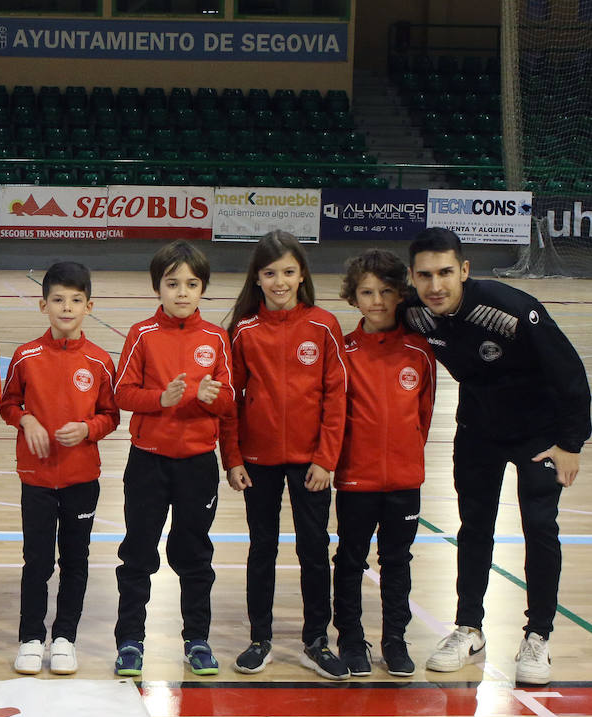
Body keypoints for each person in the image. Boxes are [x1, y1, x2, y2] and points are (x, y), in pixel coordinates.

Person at [403, 227, 590, 685]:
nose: (436, 286)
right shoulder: (414, 313)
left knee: (540, 528)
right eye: (424, 275)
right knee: (474, 526)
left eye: (446, 272)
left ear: (464, 271)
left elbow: (570, 374)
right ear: (412, 277)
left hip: (540, 435)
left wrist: (571, 444)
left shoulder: (510, 309)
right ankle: (468, 628)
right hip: (478, 431)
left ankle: (538, 637)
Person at [221, 230, 349, 680]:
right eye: (271, 272)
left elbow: (337, 396)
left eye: (288, 272)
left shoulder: (323, 326)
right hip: (257, 463)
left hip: (311, 463)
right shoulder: (243, 330)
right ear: (257, 277)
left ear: (302, 276)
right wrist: (233, 458)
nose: (279, 281)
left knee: (314, 550)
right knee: (263, 549)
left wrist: (326, 458)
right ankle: (260, 638)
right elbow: (231, 401)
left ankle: (317, 640)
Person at [111, 242, 233, 678]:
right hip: (147, 462)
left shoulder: (216, 338)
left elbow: (231, 401)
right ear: (158, 288)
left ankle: (197, 639)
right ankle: (129, 641)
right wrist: (161, 399)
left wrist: (209, 400)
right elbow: (122, 393)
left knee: (195, 555)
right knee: (138, 553)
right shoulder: (141, 334)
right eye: (172, 283)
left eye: (192, 284)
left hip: (199, 465)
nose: (182, 292)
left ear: (203, 289)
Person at [0, 260, 118, 676]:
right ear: (43, 305)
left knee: (75, 560)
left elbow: (111, 415)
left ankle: (65, 637)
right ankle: (31, 637)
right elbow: (7, 404)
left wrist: (88, 428)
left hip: (82, 478)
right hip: (36, 478)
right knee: (37, 562)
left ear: (89, 306)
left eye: (75, 300)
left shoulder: (101, 361)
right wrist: (26, 419)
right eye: (58, 300)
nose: (66, 307)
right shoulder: (26, 355)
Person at [331, 249, 435, 678]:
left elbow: (424, 414)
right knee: (350, 560)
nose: (377, 300)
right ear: (353, 298)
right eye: (367, 292)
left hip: (404, 480)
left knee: (397, 561)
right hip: (356, 479)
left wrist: (407, 456)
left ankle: (395, 639)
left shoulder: (420, 350)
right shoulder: (344, 351)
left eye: (386, 291)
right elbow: (335, 414)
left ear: (400, 295)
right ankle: (351, 639)